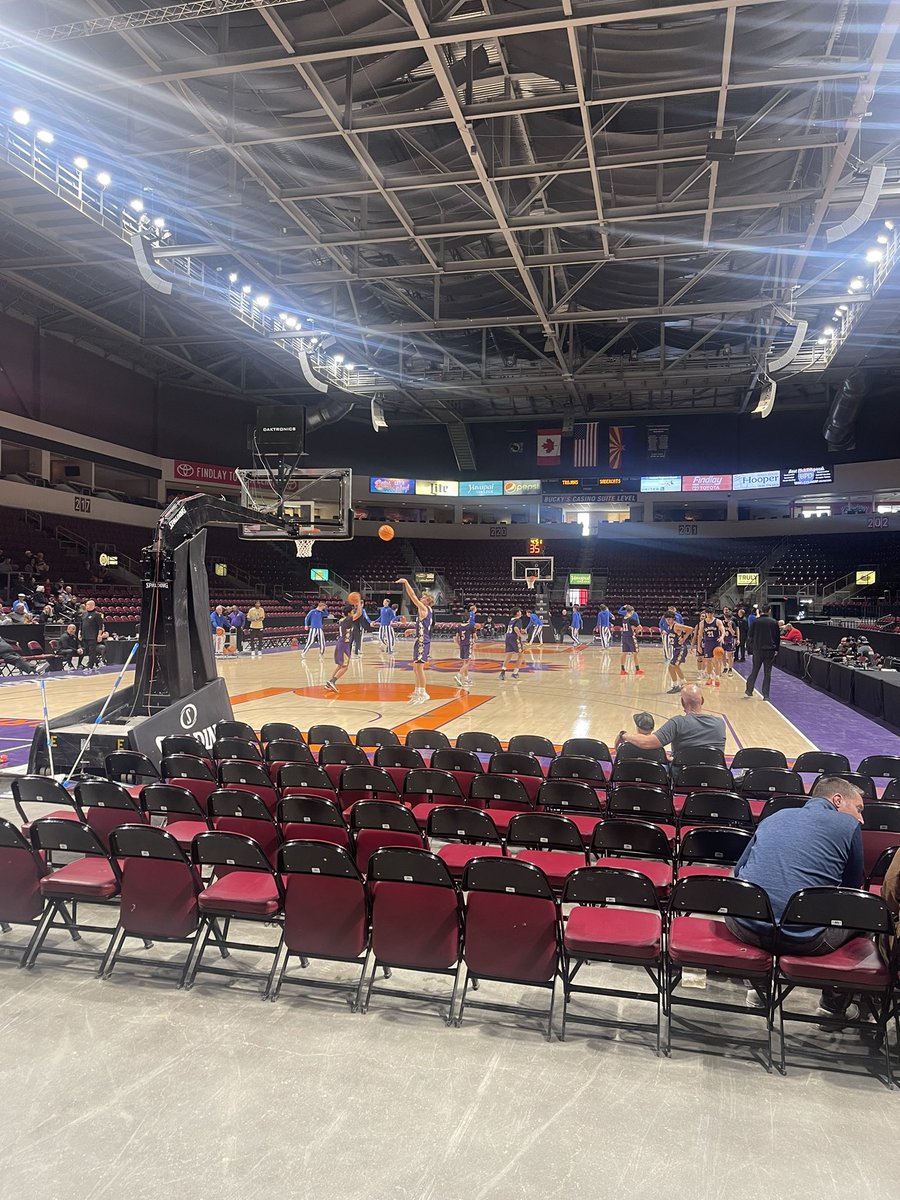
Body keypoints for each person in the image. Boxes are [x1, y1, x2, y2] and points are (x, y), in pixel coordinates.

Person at [726, 777, 866, 1018]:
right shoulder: (848, 825)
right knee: (866, 914)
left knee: (740, 883)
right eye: (859, 809)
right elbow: (853, 887)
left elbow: (739, 870)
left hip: (745, 927)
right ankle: (832, 1008)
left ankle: (758, 988)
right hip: (806, 940)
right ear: (837, 800)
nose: (861, 819)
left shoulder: (775, 817)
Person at [617, 683, 726, 757]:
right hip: (715, 779)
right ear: (702, 701)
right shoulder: (720, 723)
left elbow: (647, 743)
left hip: (682, 779)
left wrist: (624, 735)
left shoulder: (678, 723)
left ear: (682, 702)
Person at [396, 577, 434, 704]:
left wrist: (406, 582)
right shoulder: (424, 612)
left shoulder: (424, 609)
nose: (420, 599)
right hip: (420, 639)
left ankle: (424, 692)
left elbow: (412, 596)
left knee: (420, 668)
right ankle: (418, 691)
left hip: (423, 641)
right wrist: (413, 630)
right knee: (416, 667)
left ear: (427, 601)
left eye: (423, 598)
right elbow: (424, 627)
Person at [325, 597, 363, 693]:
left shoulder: (342, 620)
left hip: (340, 643)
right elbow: (359, 614)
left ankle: (329, 683)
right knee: (345, 667)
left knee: (339, 665)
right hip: (344, 645)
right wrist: (359, 603)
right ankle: (332, 681)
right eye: (352, 611)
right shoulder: (348, 620)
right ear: (349, 613)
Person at [745, 603, 780, 701]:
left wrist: (750, 649)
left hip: (758, 650)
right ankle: (766, 695)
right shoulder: (774, 622)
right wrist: (777, 649)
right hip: (770, 650)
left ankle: (749, 690)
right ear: (769, 610)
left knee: (755, 670)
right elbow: (777, 637)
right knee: (767, 673)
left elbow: (750, 636)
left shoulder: (755, 622)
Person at [661, 609, 694, 693]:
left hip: (681, 648)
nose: (668, 620)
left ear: (673, 618)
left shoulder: (676, 625)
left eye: (669, 619)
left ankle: (676, 686)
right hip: (676, 649)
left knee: (671, 666)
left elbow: (690, 629)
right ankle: (684, 683)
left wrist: (683, 638)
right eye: (666, 619)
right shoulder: (669, 627)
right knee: (676, 666)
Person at [694, 605, 724, 686]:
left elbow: (722, 630)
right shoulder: (702, 623)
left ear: (713, 613)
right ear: (706, 614)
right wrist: (699, 646)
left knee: (717, 661)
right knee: (708, 661)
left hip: (716, 642)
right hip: (707, 643)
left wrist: (722, 636)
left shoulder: (717, 621)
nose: (709, 615)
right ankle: (710, 677)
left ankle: (717, 678)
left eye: (711, 613)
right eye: (708, 613)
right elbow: (699, 635)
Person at [499, 607, 525, 681]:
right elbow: (516, 629)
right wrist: (520, 635)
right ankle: (515, 673)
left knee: (508, 656)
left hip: (508, 637)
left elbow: (513, 628)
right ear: (517, 613)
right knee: (521, 655)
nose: (521, 612)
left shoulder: (511, 620)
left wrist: (521, 630)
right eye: (520, 611)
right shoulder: (518, 620)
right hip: (514, 638)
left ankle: (503, 672)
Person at [619, 605, 644, 677]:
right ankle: (637, 670)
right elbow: (640, 628)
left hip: (624, 637)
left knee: (624, 653)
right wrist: (636, 631)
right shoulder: (632, 619)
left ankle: (622, 670)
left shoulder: (624, 618)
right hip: (630, 637)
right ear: (632, 611)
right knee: (635, 653)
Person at [81, 599, 104, 672]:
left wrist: (99, 635)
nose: (86, 606)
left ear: (92, 605)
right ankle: (97, 662)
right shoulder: (84, 614)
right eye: (86, 604)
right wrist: (79, 632)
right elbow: (81, 624)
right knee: (86, 651)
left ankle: (90, 666)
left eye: (87, 605)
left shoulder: (97, 615)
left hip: (92, 636)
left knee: (92, 651)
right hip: (85, 635)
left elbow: (100, 626)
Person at [454, 611, 474, 690]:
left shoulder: (459, 626)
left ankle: (466, 679)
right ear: (469, 618)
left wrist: (459, 644)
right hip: (468, 645)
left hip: (462, 645)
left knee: (465, 662)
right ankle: (458, 675)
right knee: (467, 663)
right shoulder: (471, 626)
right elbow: (475, 637)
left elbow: (456, 638)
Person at [721, 606, 737, 674]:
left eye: (729, 618)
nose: (728, 619)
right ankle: (725, 667)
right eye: (727, 617)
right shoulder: (721, 623)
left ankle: (730, 668)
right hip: (723, 641)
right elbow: (720, 632)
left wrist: (730, 627)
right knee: (723, 655)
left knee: (730, 656)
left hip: (730, 641)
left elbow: (734, 634)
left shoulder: (732, 623)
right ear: (724, 617)